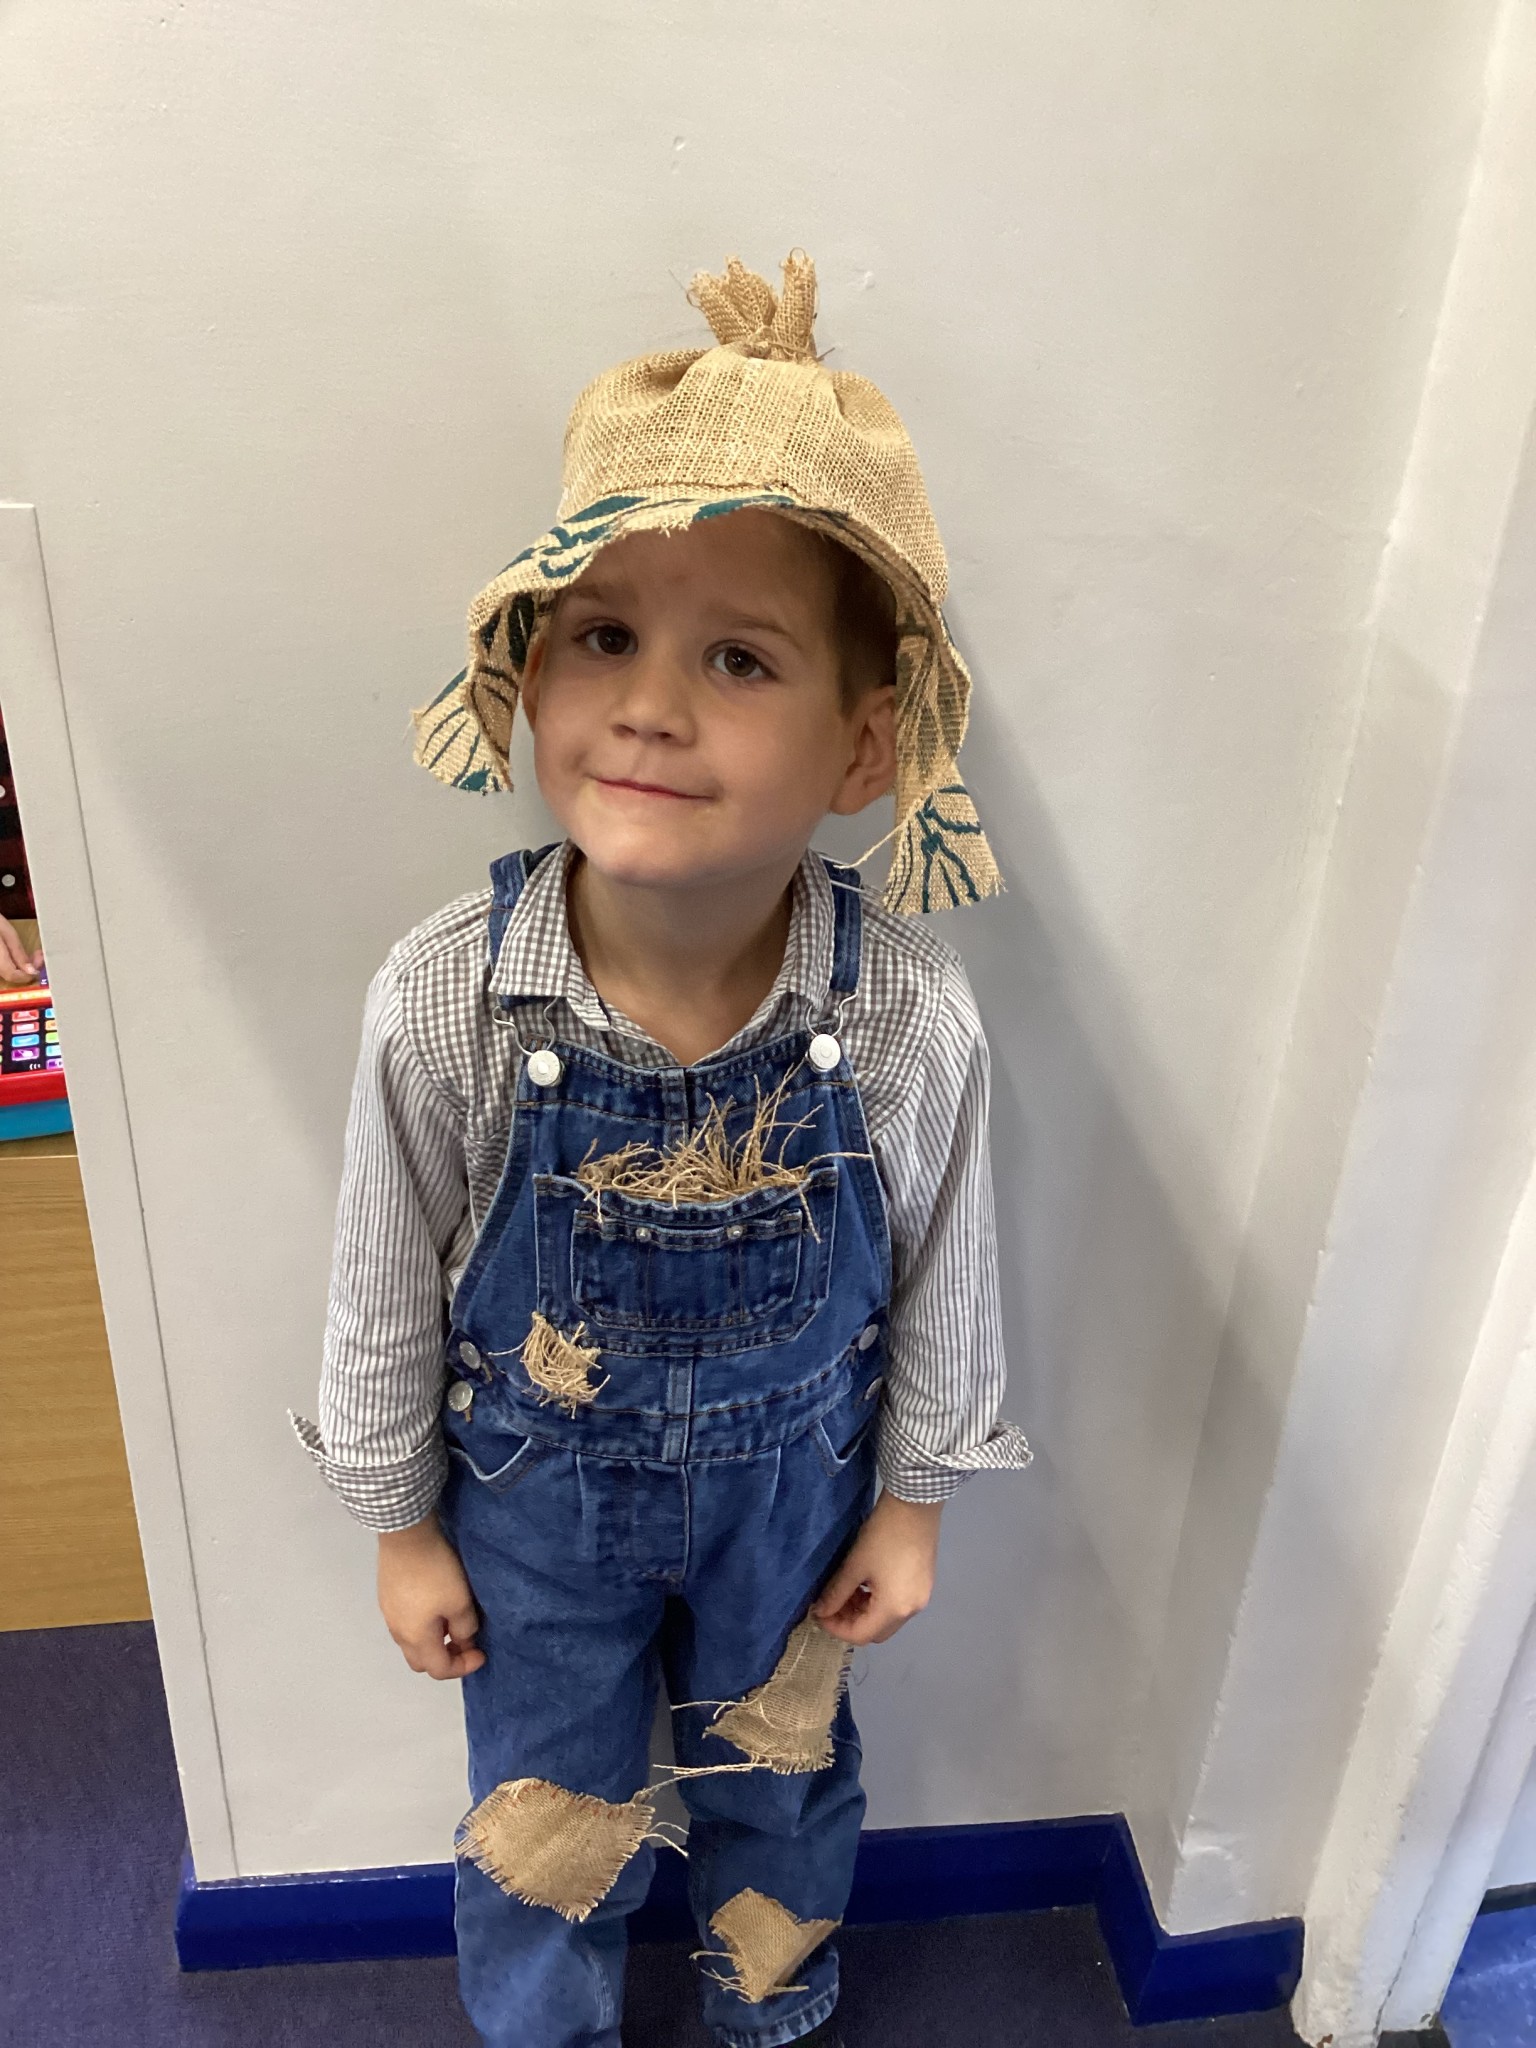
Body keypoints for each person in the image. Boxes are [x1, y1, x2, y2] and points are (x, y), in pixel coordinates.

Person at [297, 249, 1032, 2048]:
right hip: (532, 1524)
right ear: (528, 675)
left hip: (799, 1514)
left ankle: (767, 2010)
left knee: (781, 1786)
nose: (649, 703)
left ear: (866, 746)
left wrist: (919, 1499)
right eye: (605, 636)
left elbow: (950, 1262)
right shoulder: (452, 1002)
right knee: (543, 1818)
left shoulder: (911, 1010)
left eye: (739, 658)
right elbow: (381, 1285)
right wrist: (400, 1528)